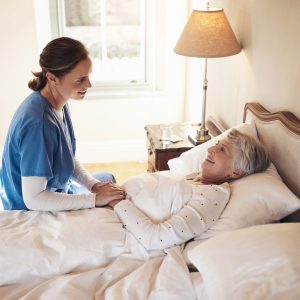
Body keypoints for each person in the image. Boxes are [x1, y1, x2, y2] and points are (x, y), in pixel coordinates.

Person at [0, 37, 125, 211]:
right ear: (52, 78)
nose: (88, 84)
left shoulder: (58, 101)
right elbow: (34, 199)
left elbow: (65, 156)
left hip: (57, 189)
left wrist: (94, 186)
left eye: (88, 76)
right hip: (34, 209)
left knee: (108, 180)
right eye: (80, 80)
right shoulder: (39, 123)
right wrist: (93, 200)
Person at [107, 129, 271, 251]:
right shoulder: (195, 178)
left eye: (222, 150)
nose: (210, 150)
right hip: (111, 210)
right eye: (216, 145)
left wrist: (116, 201)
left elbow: (154, 239)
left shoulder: (212, 197)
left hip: (117, 229)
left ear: (236, 172)